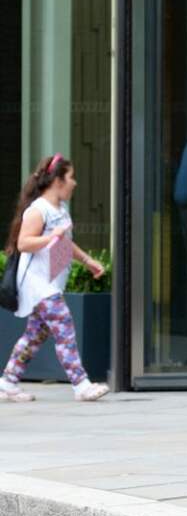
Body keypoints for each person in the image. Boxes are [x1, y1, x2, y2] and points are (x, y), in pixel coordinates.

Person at [0, 154, 110, 402]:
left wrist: (87, 261)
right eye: (71, 177)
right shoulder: (38, 210)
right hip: (37, 285)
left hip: (51, 283)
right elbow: (24, 243)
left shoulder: (59, 209)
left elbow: (65, 243)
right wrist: (52, 237)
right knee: (64, 328)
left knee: (34, 335)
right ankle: (81, 384)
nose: (75, 183)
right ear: (57, 181)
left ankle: (7, 381)